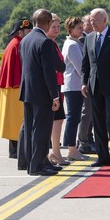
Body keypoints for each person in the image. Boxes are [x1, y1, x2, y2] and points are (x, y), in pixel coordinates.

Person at [81, 8, 110, 167]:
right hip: (94, 86)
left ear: (104, 20)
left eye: (95, 20)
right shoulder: (89, 38)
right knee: (98, 122)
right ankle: (102, 156)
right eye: (90, 20)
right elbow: (86, 63)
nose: (91, 23)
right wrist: (84, 82)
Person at [19, 9, 63, 176]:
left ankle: (38, 161)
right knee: (41, 130)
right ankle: (36, 166)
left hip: (28, 91)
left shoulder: (26, 39)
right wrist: (54, 95)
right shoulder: (45, 42)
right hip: (42, 93)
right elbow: (48, 72)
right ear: (47, 22)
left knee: (31, 128)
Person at [0, 19, 33, 158]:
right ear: (20, 32)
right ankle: (16, 151)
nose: (30, 33)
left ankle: (15, 150)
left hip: (12, 87)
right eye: (28, 31)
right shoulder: (18, 45)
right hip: (16, 87)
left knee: (15, 120)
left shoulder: (15, 44)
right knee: (17, 120)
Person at [61, 16, 88, 161]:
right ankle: (71, 149)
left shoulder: (75, 43)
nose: (82, 29)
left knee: (74, 117)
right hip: (74, 86)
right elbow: (80, 67)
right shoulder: (72, 45)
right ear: (71, 30)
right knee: (73, 117)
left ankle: (72, 148)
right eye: (79, 27)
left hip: (74, 85)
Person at [46, 14, 69, 166]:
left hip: (58, 85)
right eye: (53, 26)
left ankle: (55, 151)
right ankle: (52, 152)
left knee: (59, 119)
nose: (56, 29)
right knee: (53, 120)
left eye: (58, 27)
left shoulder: (53, 43)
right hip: (52, 87)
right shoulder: (47, 43)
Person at [77, 14, 95, 154]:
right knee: (86, 113)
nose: (91, 24)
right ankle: (83, 141)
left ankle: (88, 139)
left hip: (93, 82)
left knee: (91, 114)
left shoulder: (93, 37)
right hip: (85, 83)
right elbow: (83, 64)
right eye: (88, 22)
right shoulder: (83, 39)